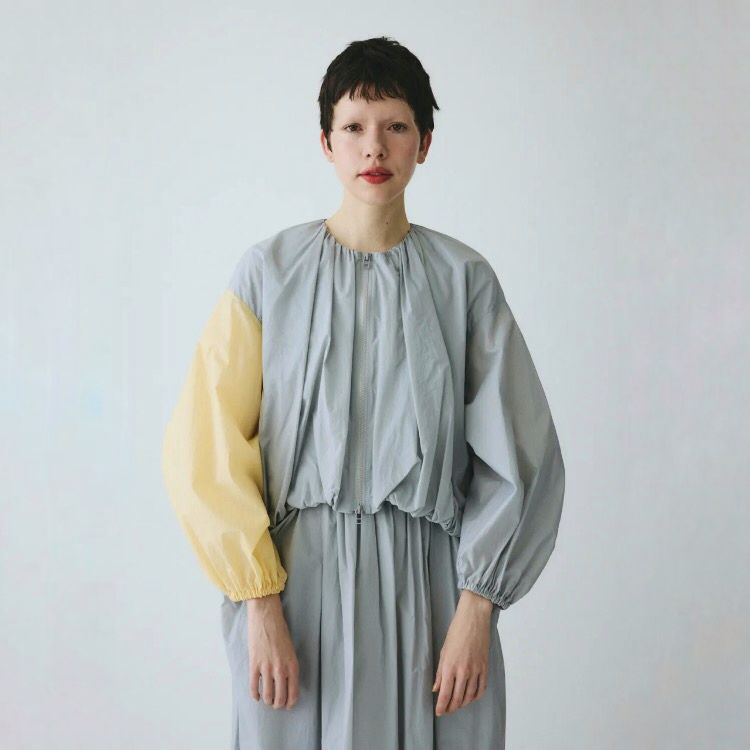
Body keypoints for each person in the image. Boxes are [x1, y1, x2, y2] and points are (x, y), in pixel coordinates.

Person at [161, 35, 565, 750]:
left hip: (435, 598)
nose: (374, 146)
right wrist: (259, 604)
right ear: (326, 143)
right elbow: (206, 450)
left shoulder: (464, 281)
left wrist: (478, 610)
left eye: (396, 125)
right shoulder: (268, 274)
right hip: (294, 590)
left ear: (425, 143)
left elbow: (522, 456)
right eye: (353, 126)